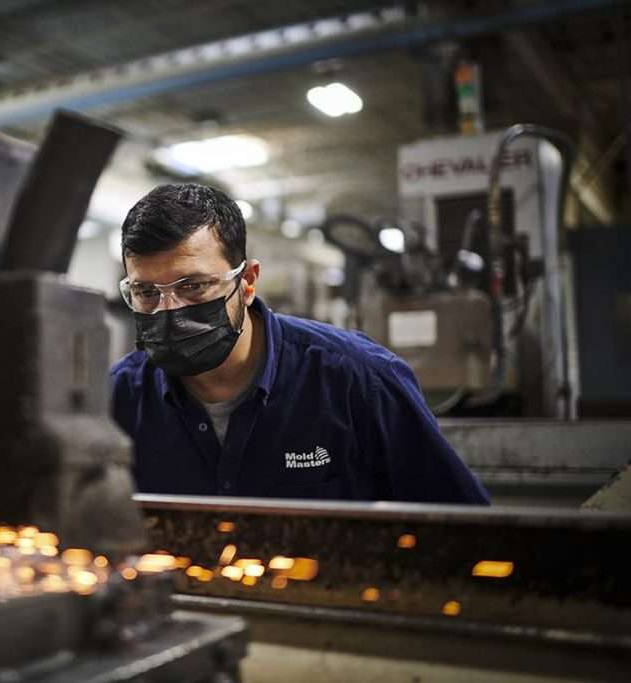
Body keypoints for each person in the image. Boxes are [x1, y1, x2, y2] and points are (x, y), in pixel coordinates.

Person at [109, 183, 489, 503]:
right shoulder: (118, 397)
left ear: (247, 282)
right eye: (146, 291)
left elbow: (464, 526)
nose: (169, 309)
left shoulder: (360, 381)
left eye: (193, 286)